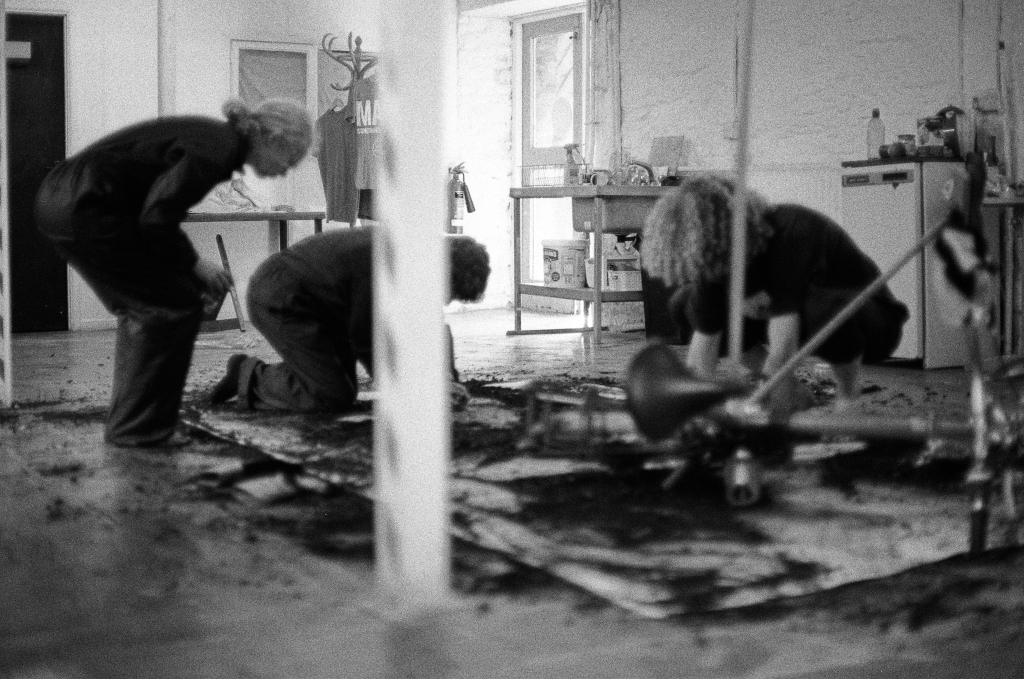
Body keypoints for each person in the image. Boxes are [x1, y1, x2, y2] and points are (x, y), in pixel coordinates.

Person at [34, 98, 313, 447]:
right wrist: (197, 265)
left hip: (65, 201)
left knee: (162, 302)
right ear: (274, 139)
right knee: (167, 308)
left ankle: (134, 424)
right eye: (291, 160)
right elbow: (157, 217)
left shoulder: (216, 138)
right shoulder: (216, 149)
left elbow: (151, 214)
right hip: (86, 207)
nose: (286, 171)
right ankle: (137, 431)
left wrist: (188, 273)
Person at [642, 173, 909, 414]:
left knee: (817, 309)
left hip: (871, 320)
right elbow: (702, 352)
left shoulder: (791, 232)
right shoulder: (713, 259)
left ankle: (848, 397)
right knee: (686, 304)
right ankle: (788, 388)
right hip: (794, 320)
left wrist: (758, 398)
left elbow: (784, 340)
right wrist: (694, 409)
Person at [209, 229, 491, 412]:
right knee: (328, 396)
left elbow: (431, 327)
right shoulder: (385, 264)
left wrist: (444, 379)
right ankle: (249, 375)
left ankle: (295, 371)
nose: (443, 301)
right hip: (281, 299)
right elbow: (368, 341)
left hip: (325, 306)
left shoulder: (416, 254)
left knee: (344, 388)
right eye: (448, 292)